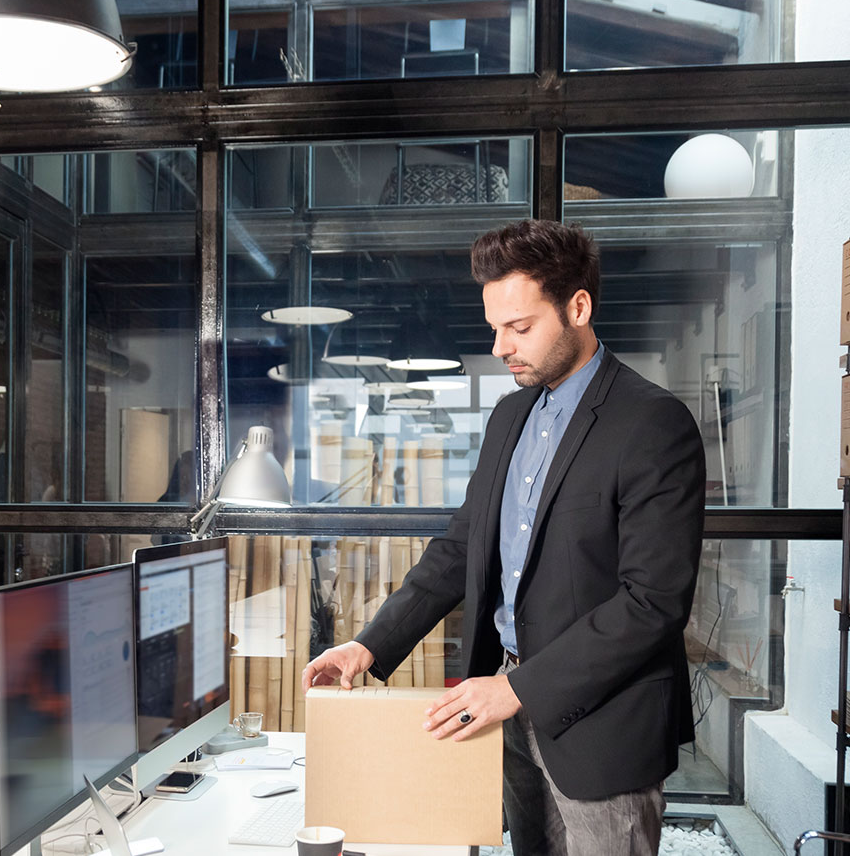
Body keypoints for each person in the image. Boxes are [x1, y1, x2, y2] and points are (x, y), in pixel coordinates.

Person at [300, 219, 705, 856]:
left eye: (519, 328)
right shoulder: (511, 414)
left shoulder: (652, 423)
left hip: (604, 725)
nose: (500, 346)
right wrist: (368, 647)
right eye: (495, 328)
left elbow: (652, 603)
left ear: (578, 307)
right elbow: (462, 546)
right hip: (509, 710)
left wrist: (514, 689)